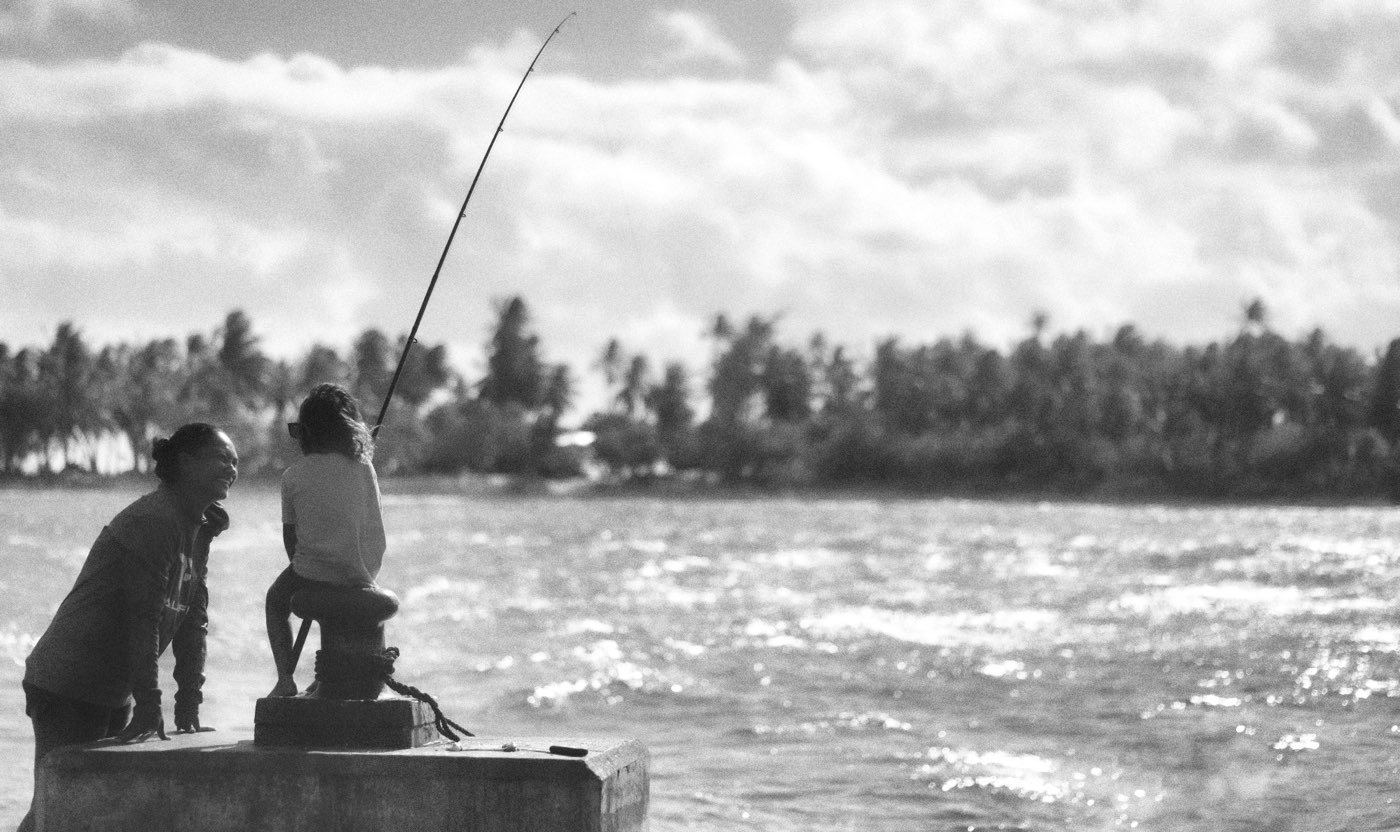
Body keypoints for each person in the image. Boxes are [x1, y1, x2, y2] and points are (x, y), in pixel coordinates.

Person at [18, 423, 237, 832]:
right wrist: (152, 704)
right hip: (68, 680)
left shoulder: (198, 527)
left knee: (89, 811)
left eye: (235, 461)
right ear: (186, 464)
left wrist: (188, 703)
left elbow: (192, 620)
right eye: (222, 458)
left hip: (114, 690)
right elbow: (145, 616)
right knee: (58, 810)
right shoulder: (155, 520)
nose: (232, 468)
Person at [265, 383, 386, 697]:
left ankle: (285, 678)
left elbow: (290, 540)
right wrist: (364, 571)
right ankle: (325, 675)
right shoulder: (365, 468)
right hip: (361, 571)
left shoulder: (292, 476)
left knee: (276, 602)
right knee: (330, 594)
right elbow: (373, 525)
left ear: (304, 434)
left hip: (312, 570)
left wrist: (306, 572)